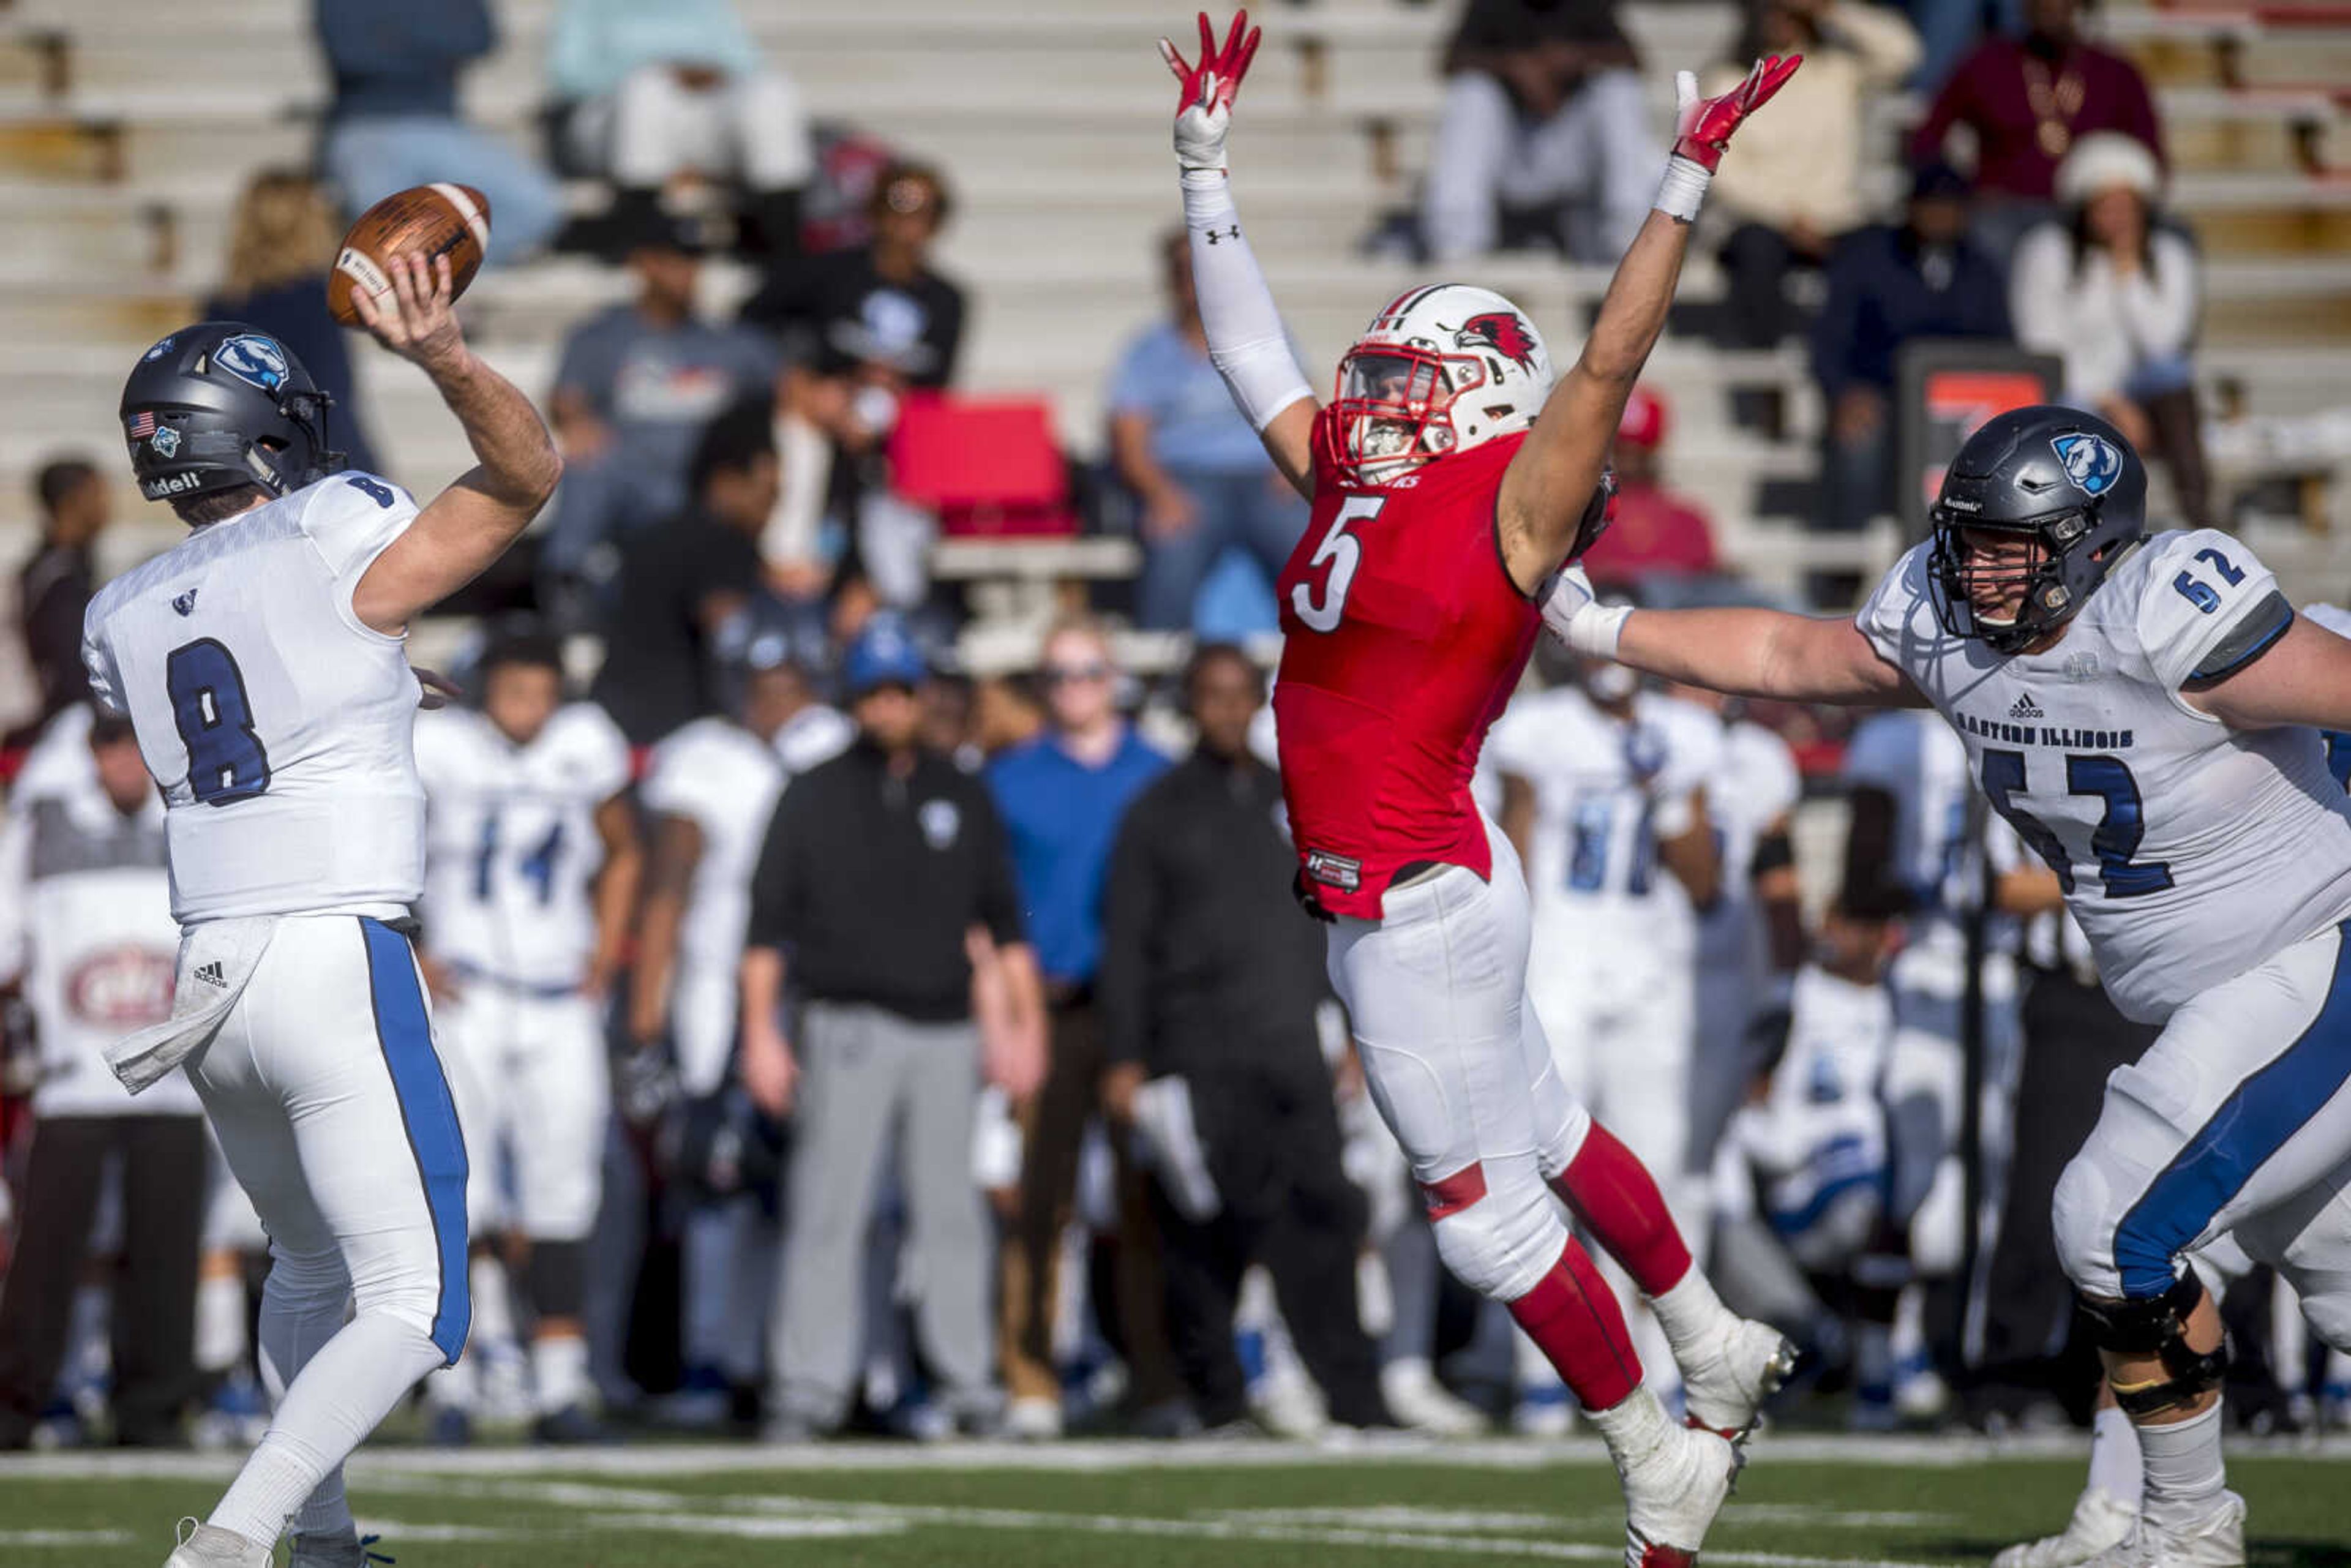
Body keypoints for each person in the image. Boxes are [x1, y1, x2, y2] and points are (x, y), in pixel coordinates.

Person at [1161, 13, 1798, 1555]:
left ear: (1485, 394)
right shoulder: (1362, 472)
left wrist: (1681, 179)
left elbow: (1610, 353)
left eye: (1412, 372)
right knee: (1555, 1128)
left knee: (1480, 1215)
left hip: (1409, 890)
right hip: (1429, 864)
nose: (1373, 392)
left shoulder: (1513, 503)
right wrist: (1205, 169)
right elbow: (1250, 348)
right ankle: (1707, 1331)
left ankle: (1652, 1445)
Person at [1542, 404, 2351, 1562]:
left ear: (2091, 542)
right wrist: (1596, 621)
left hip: (2312, 958)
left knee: (2113, 1222)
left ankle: (2184, 1534)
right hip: (2204, 1000)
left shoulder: (2167, 607)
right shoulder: (1944, 614)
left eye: (2008, 547)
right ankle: (2134, 1517)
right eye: (1966, 541)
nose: (1976, 570)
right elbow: (1786, 655)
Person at [87, 256, 560, 1567]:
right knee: (417, 1294)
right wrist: (450, 359)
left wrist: (386, 670)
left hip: (214, 976)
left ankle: (330, 1538)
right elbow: (527, 477)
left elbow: (253, 675)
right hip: (334, 950)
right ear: (275, 426)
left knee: (307, 1269)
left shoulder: (117, 611)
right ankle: (235, 1536)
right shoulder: (339, 517)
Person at [738, 613, 1044, 1440]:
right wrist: (760, 1033)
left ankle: (969, 1381)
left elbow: (1004, 927)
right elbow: (765, 930)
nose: (887, 707)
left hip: (947, 1030)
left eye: (900, 690)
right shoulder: (814, 791)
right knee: (829, 1211)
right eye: (872, 692)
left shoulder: (961, 791)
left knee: (953, 1214)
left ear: (921, 693)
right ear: (852, 698)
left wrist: (1022, 1028)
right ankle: (808, 1388)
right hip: (847, 1024)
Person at [1098, 643, 1395, 1435]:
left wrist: (1352, 1029)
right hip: (1196, 1050)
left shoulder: (1293, 795)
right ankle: (1220, 1398)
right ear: (1189, 704)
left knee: (1325, 1219)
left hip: (1293, 1043)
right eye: (1212, 696)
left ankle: (1354, 1399)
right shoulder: (1155, 810)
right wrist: (1126, 1056)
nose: (1228, 710)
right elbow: (1125, 942)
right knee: (1205, 1231)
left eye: (1240, 696)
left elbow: (1334, 921)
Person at [411, 630, 640, 1444]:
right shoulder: (437, 746)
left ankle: (559, 1383)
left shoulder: (585, 744)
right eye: (515, 690)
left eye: (542, 692)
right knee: (457, 1189)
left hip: (554, 995)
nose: (530, 709)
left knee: (562, 1187)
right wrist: (415, 945)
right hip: (467, 993)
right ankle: (457, 1382)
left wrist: (606, 955)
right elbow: (383, 848)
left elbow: (624, 851)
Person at [1491, 642, 1723, 1430]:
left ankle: (1658, 1362)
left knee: (1653, 1166)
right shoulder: (1539, 728)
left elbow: (1704, 881)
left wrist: (1666, 794)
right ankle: (1546, 1367)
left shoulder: (1683, 735)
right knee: (1545, 1165)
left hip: (1650, 976)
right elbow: (1515, 852)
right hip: (1558, 969)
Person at [627, 626, 849, 1421]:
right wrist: (648, 1009)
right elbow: (668, 884)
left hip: (819, 986)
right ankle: (716, 1359)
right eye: (761, 681)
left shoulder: (835, 745)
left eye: (789, 679)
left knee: (820, 1181)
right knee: (721, 1177)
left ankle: (813, 1362)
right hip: (719, 995)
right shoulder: (703, 759)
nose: (775, 697)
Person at [985, 617, 1177, 1438]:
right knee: (1040, 1202)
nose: (1075, 689)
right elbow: (989, 911)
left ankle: (1157, 1378)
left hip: (1141, 1011)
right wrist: (1007, 1015)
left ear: (1115, 679)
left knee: (1149, 1202)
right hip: (1050, 1006)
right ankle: (1031, 1374)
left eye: (1089, 672)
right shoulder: (1010, 778)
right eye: (1059, 675)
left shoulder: (1159, 775)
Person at [0, 714, 201, 1450]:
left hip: (172, 1080)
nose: (127, 766)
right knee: (47, 1250)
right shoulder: (44, 826)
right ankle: (19, 1402)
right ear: (94, 756)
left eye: (139, 752)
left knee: (165, 1251)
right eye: (114, 750)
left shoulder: (193, 823)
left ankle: (152, 1411)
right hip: (74, 1077)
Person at [1839, 702, 2023, 1420]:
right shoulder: (1896, 736)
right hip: (1927, 975)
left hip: (2008, 977)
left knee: (1991, 1180)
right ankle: (1882, 1360)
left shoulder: (2030, 711)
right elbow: (1861, 879)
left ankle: (1956, 1355)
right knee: (1912, 1178)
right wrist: (1926, 888)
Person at [741, 162, 967, 606]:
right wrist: (797, 378)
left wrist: (885, 399)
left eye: (925, 211)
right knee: (799, 423)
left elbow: (936, 391)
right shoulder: (831, 272)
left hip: (893, 435)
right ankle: (789, 558)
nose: (909, 224)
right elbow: (751, 319)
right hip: (819, 412)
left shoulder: (948, 300)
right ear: (875, 211)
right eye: (897, 205)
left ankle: (891, 594)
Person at [541, 212, 783, 606]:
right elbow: (567, 401)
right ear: (644, 264)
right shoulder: (602, 335)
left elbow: (790, 391)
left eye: (693, 260)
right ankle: (569, 588)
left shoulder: (732, 344)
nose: (687, 272)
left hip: (707, 488)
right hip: (633, 480)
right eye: (674, 259)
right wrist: (578, 421)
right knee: (588, 465)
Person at [1109, 228, 1310, 632]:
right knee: (1172, 545)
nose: (1195, 281)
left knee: (1319, 550)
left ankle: (1336, 661)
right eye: (1184, 270)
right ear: (1169, 279)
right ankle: (1160, 667)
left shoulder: (1268, 337)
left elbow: (1304, 410)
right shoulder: (1148, 351)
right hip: (1187, 480)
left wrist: (1296, 470)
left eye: (1203, 269)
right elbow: (1129, 440)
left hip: (1267, 475)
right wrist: (1159, 494)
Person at [2010, 133, 2210, 530]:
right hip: (2075, 390)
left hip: (2144, 389)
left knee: (2174, 375)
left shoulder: (2169, 255)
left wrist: (2129, 273)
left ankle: (2200, 514)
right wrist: (2110, 400)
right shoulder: (2047, 252)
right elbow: (2042, 345)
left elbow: (2166, 343)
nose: (2118, 217)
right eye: (2106, 205)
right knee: (2075, 419)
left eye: (2127, 205)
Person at [1703, 0, 1919, 350]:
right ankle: (1764, 378)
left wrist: (1832, 10)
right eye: (1771, 9)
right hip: (1761, 220)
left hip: (1836, 220)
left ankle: (1862, 371)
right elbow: (1723, 171)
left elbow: (1904, 53)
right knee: (1757, 252)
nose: (1780, 19)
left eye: (1790, 10)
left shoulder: (1837, 70)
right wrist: (1789, 217)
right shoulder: (1729, 80)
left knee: (1884, 252)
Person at [1811, 161, 2011, 532]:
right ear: (1910, 208)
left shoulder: (1983, 271)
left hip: (1960, 406)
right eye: (1929, 205)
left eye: (1949, 206)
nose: (1939, 215)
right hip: (1880, 397)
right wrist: (1844, 392)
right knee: (1859, 447)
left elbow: (2002, 349)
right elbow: (1829, 340)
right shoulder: (1867, 260)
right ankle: (1845, 571)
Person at [546, 0, 814, 258]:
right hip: (612, 117)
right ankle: (640, 226)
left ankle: (782, 231)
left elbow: (746, 62)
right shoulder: (588, 4)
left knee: (770, 92)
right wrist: (659, 70)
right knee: (648, 89)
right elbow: (569, 76)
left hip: (692, 115)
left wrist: (706, 73)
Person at [587, 399, 781, 747]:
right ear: (726, 482)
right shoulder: (724, 541)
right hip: (673, 734)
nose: (771, 512)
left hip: (615, 715)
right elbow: (731, 632)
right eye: (768, 496)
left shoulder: (656, 531)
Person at [313, 0, 563, 266]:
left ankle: (439, 277)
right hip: (366, 126)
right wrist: (428, 37)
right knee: (385, 239)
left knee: (536, 204)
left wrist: (392, 36)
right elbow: (351, 53)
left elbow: (479, 38)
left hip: (442, 125)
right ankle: (403, 285)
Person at [1908, 0, 2164, 258]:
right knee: (1985, 237)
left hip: (2090, 212)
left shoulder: (2115, 73)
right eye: (2043, 4)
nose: (2052, 11)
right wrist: (1960, 190)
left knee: (2166, 238)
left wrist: (2118, 200)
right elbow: (1928, 137)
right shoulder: (1989, 63)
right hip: (2006, 208)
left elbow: (2150, 154)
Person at [1420, 0, 1660, 264]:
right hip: (1512, 151)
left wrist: (1573, 60)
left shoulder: (1590, 6)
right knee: (1471, 93)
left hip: (1575, 151)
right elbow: (1450, 61)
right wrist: (1515, 67)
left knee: (1619, 89)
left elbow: (1635, 60)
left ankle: (1629, 239)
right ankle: (1458, 249)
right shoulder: (1490, 6)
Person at [203, 170, 382, 479]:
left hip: (251, 475)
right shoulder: (317, 301)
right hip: (322, 470)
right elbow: (330, 404)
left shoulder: (220, 307)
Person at [1574, 388, 1719, 591]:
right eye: (1623, 451)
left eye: (1640, 453)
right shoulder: (1583, 516)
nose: (1631, 462)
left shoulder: (1690, 522)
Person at [7, 459, 108, 747]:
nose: (105, 508)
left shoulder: (72, 566)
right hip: (63, 733)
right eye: (97, 495)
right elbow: (71, 668)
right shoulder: (59, 578)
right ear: (72, 502)